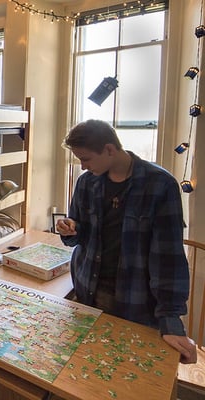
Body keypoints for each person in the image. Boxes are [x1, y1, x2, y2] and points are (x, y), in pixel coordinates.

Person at [56, 119, 197, 364]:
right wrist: (70, 230)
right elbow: (79, 235)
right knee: (86, 367)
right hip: (87, 289)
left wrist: (170, 319)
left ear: (109, 149)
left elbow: (169, 259)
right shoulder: (86, 182)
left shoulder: (160, 185)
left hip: (136, 301)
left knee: (126, 371)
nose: (82, 166)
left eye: (86, 159)